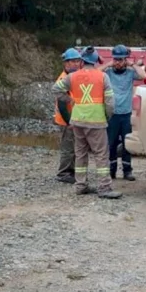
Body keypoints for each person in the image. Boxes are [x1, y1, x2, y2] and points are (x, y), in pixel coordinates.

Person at [53, 49, 121, 199]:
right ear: (96, 61)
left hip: (77, 120)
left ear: (82, 62)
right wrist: (107, 116)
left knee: (80, 154)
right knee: (101, 154)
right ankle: (104, 187)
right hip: (96, 121)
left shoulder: (72, 77)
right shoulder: (102, 77)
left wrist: (70, 100)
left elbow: (56, 89)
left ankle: (80, 185)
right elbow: (110, 102)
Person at [102, 45, 146, 180]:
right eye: (116, 59)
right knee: (111, 144)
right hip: (112, 115)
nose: (118, 62)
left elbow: (144, 75)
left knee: (127, 143)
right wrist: (109, 63)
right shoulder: (108, 73)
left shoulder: (129, 73)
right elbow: (96, 72)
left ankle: (127, 170)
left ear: (125, 60)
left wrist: (132, 64)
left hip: (126, 114)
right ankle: (112, 170)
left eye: (120, 60)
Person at [54, 48, 83, 183]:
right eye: (73, 61)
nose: (76, 64)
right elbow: (61, 104)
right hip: (66, 120)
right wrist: (69, 122)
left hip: (72, 118)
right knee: (68, 148)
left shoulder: (72, 77)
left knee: (73, 146)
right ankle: (64, 173)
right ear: (66, 63)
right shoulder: (64, 79)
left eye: (78, 61)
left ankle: (71, 171)